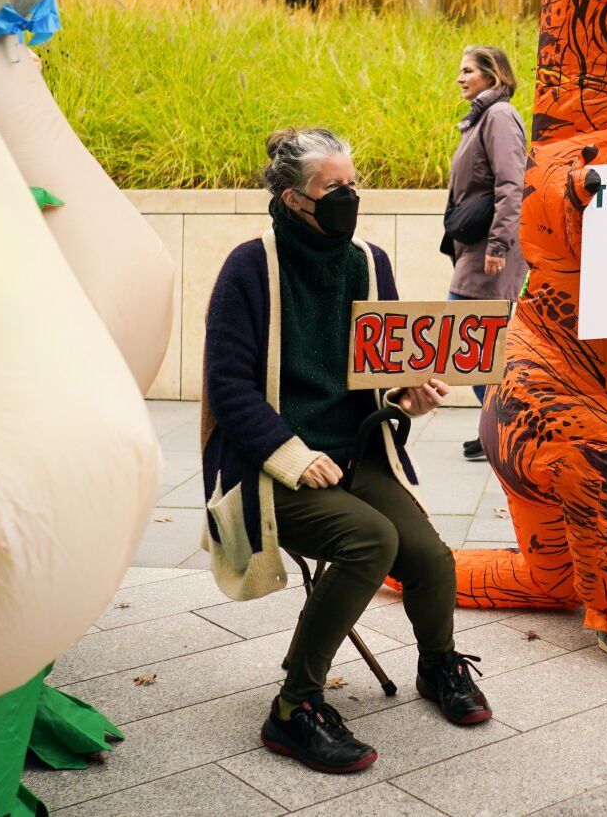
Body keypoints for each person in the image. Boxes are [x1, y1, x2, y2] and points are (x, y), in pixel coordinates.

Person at [202, 128, 492, 775]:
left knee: (431, 556)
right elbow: (227, 385)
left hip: (356, 455)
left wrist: (406, 396)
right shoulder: (249, 267)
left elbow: (381, 368)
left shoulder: (368, 259)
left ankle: (436, 664)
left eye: (352, 183)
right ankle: (292, 708)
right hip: (272, 470)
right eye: (333, 188)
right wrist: (291, 451)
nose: (349, 197)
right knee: (371, 541)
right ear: (291, 196)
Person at [443, 46, 527, 461]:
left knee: (470, 340)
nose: (460, 78)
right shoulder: (480, 119)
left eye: (468, 71)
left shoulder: (498, 117)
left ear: (492, 76)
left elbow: (512, 184)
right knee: (478, 345)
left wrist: (498, 244)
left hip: (492, 253)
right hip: (477, 251)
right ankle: (497, 427)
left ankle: (510, 431)